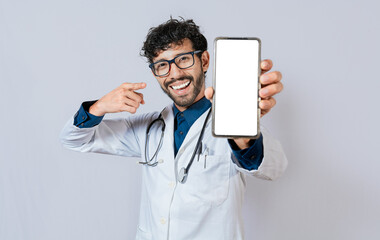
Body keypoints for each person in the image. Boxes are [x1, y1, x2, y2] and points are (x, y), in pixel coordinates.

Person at [60, 18, 287, 240]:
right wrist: (99, 107)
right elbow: (75, 139)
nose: (175, 73)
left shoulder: (232, 124)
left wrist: (243, 139)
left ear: (204, 61)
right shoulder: (146, 129)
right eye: (162, 65)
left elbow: (273, 168)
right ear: (155, 74)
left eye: (184, 59)